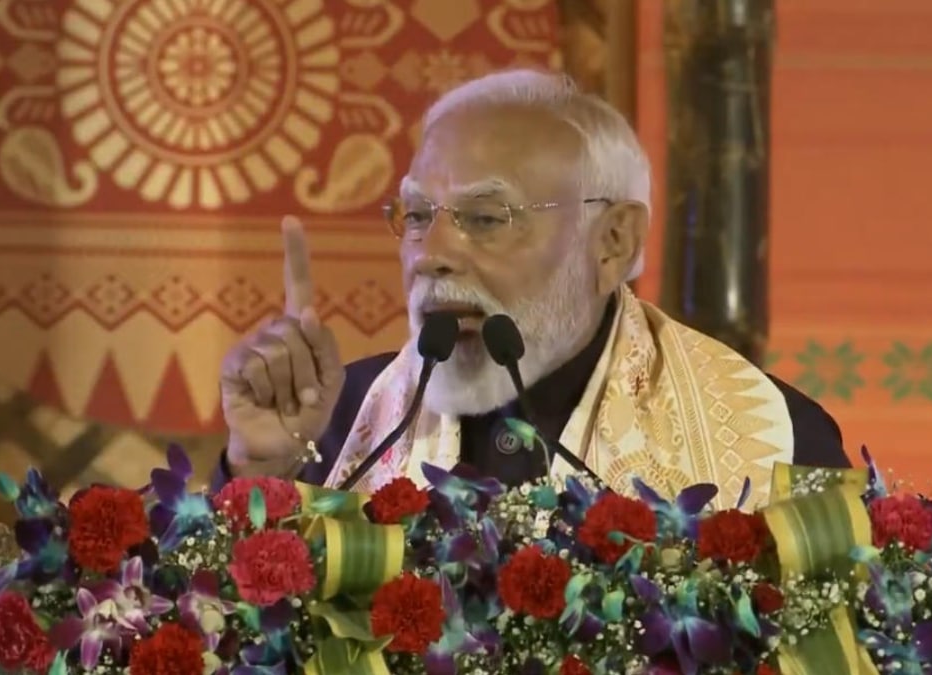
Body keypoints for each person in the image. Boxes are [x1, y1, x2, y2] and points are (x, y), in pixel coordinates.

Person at [214, 70, 850, 506]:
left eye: (486, 218)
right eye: (415, 216)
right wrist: (261, 471)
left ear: (613, 242)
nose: (430, 256)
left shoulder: (778, 444)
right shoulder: (332, 424)